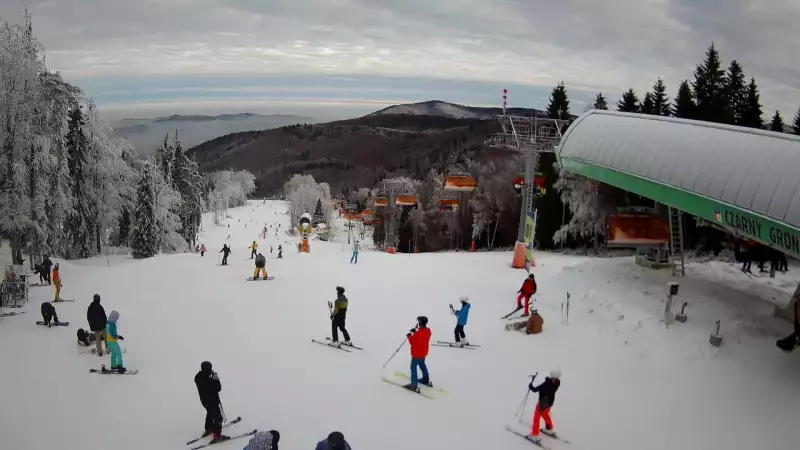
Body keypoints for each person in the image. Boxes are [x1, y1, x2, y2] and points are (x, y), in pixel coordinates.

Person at [194, 361, 229, 443]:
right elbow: (218, 387)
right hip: (211, 401)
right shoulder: (207, 380)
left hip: (205, 401)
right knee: (218, 417)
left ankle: (208, 428)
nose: (211, 370)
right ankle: (217, 436)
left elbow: (208, 383)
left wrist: (211, 377)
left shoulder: (198, 377)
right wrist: (216, 379)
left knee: (210, 412)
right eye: (210, 368)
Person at [528, 369, 562, 444]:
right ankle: (549, 428)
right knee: (545, 414)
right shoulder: (557, 382)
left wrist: (530, 386)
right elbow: (550, 386)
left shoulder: (547, 384)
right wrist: (548, 380)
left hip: (542, 403)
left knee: (537, 417)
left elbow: (534, 389)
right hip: (549, 403)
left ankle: (535, 435)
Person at [404, 316, 432, 393]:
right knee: (422, 365)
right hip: (423, 353)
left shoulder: (418, 334)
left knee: (413, 367)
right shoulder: (428, 331)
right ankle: (425, 379)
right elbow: (421, 336)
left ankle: (414, 385)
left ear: (420, 323)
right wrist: (415, 331)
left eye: (418, 321)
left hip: (417, 354)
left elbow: (412, 341)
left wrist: (409, 336)